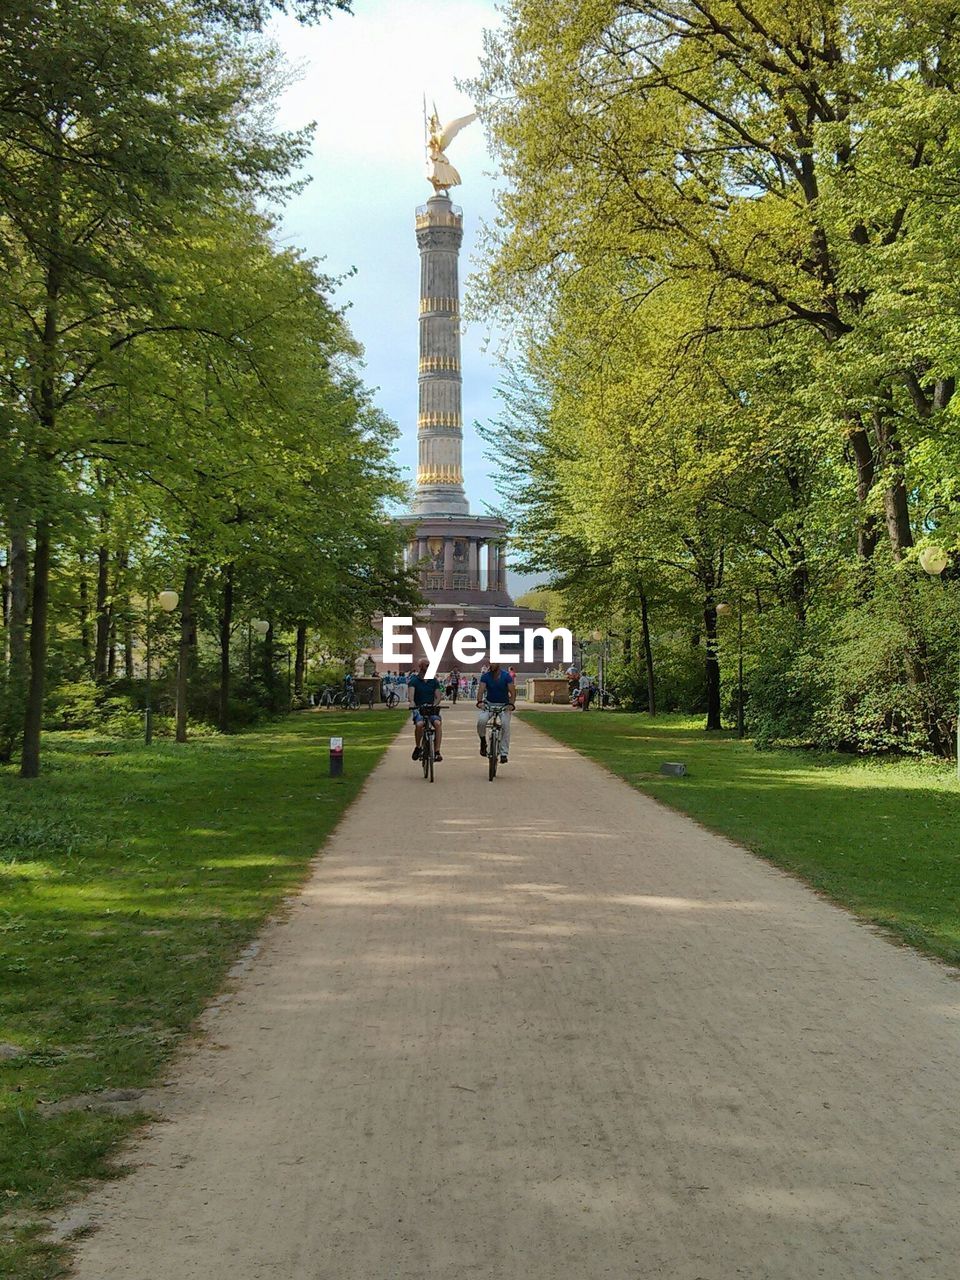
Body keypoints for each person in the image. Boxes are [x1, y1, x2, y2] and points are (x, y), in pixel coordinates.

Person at [476, 661, 515, 763]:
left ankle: (503, 753)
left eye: (493, 663)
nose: (491, 665)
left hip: (504, 705)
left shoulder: (506, 676)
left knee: (505, 725)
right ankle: (483, 741)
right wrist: (480, 702)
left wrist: (511, 704)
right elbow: (481, 690)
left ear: (498, 664)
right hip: (489, 704)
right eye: (490, 663)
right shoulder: (486, 676)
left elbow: (512, 692)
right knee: (481, 721)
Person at [408, 658, 443, 762]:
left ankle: (437, 751)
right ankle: (418, 747)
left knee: (437, 723)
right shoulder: (414, 680)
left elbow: (438, 697)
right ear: (421, 667)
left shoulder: (434, 681)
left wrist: (434, 705)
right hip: (419, 708)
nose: (429, 667)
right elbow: (411, 697)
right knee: (419, 725)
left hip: (431, 708)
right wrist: (413, 704)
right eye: (427, 665)